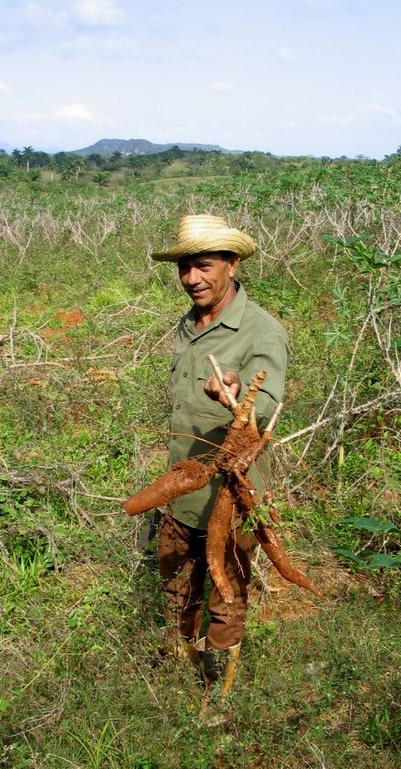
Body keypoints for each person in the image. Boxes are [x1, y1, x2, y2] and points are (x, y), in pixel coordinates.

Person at [151, 214, 288, 694]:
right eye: (185, 268)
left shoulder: (261, 331)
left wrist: (235, 394)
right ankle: (179, 661)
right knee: (177, 579)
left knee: (225, 590)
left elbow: (265, 401)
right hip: (181, 484)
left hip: (231, 496)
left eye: (204, 266)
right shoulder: (188, 325)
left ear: (231, 264)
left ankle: (218, 688)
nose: (192, 279)